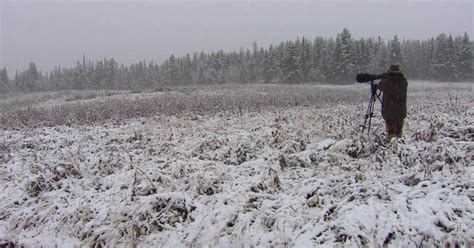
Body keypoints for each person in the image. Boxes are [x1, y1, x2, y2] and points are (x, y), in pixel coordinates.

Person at [376, 64, 408, 141]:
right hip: (401, 109)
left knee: (391, 130)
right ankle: (399, 144)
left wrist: (384, 78)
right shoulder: (403, 81)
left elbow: (380, 86)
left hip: (389, 109)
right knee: (399, 130)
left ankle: (391, 145)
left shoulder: (387, 81)